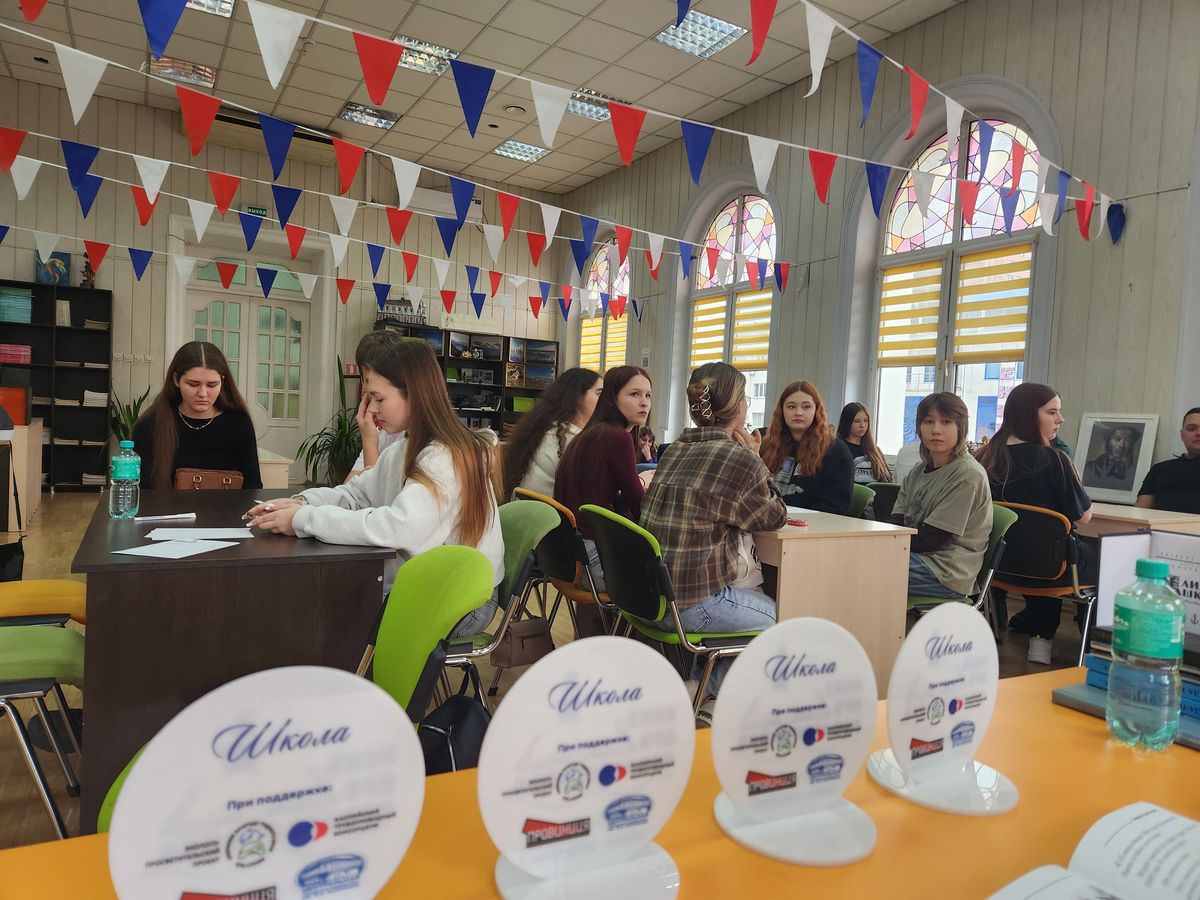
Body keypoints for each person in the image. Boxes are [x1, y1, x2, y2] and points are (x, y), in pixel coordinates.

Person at [245, 333, 504, 638]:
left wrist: (302, 520)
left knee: (332, 613)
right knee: (328, 604)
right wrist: (302, 503)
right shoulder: (405, 447)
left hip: (466, 601)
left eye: (379, 399)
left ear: (414, 394)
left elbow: (398, 529)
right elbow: (356, 494)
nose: (371, 409)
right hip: (436, 585)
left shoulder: (444, 456)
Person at [640, 363, 787, 718]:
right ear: (738, 406)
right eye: (746, 399)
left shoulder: (676, 447)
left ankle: (704, 691)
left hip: (648, 598)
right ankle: (704, 689)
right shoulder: (737, 458)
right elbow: (775, 515)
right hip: (691, 607)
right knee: (787, 619)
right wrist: (755, 458)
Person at [975, 383, 1095, 664]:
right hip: (1049, 568)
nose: (1061, 419)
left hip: (998, 566)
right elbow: (1084, 516)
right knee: (1105, 559)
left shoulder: (982, 458)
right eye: (1052, 412)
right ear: (1028, 415)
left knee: (1044, 546)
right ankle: (1084, 650)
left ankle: (1041, 640)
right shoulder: (1054, 459)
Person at [555, 366, 652, 591]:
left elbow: (605, 498)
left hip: (569, 556)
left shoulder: (592, 432)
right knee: (673, 576)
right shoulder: (618, 437)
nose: (644, 403)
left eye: (648, 395)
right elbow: (639, 507)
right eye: (634, 394)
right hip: (594, 562)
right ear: (611, 398)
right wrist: (643, 485)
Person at [891, 392, 993, 603]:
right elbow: (896, 525)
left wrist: (880, 548)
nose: (936, 430)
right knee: (852, 563)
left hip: (945, 572)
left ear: (960, 427)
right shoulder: (917, 472)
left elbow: (931, 541)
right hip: (916, 557)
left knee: (861, 568)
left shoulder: (967, 475)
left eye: (946, 422)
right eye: (929, 421)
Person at [133, 341, 262, 490]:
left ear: (222, 381)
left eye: (212, 385)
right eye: (193, 384)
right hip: (165, 505)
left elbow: (252, 486)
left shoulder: (239, 424)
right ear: (176, 380)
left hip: (226, 506)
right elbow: (141, 489)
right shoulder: (150, 424)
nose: (203, 393)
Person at [501, 367, 602, 499]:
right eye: (599, 394)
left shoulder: (544, 430)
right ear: (578, 397)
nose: (606, 401)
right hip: (552, 511)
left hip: (528, 509)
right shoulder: (573, 440)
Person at [759, 381, 853, 514]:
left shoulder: (836, 450)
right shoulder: (764, 442)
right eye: (791, 407)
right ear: (782, 410)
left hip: (813, 523)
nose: (798, 412)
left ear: (816, 410)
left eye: (806, 407)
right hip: (767, 519)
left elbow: (835, 506)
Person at [1136, 407, 1200, 513]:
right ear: (1182, 435)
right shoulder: (1159, 470)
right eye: (1191, 428)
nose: (1198, 433)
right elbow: (1140, 513)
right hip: (1160, 523)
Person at [836, 402, 891, 484]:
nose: (862, 425)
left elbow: (887, 481)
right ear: (847, 422)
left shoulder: (875, 451)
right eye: (857, 421)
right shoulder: (837, 449)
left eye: (866, 421)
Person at [1083, 423, 1140, 492]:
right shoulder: (1092, 467)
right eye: (1117, 439)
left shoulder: (1136, 472)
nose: (1121, 445)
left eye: (1128, 440)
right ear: (1108, 441)